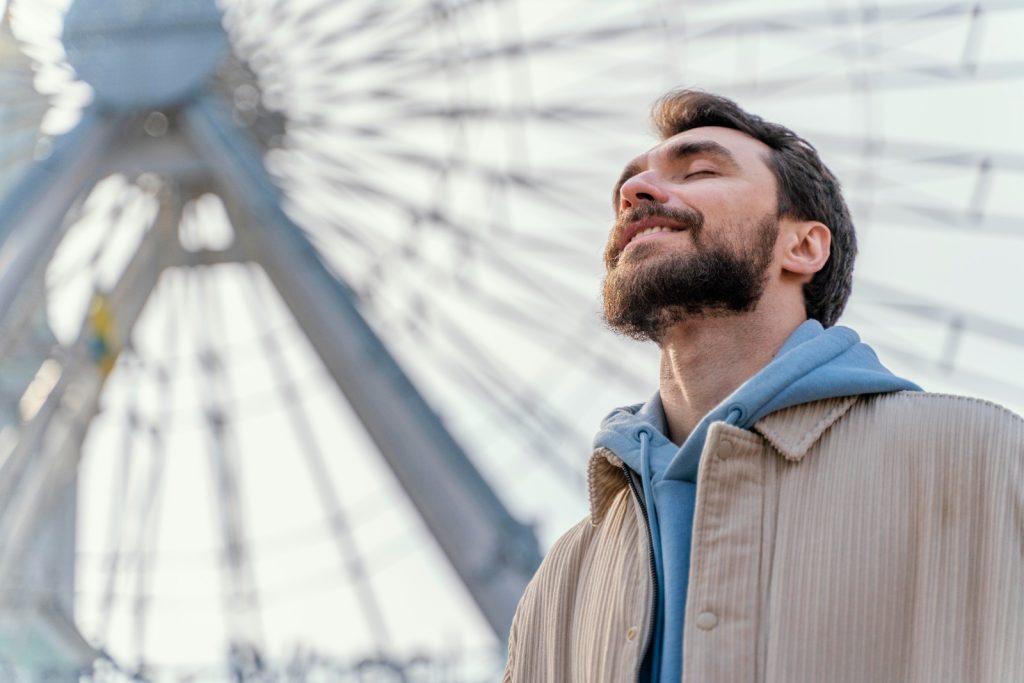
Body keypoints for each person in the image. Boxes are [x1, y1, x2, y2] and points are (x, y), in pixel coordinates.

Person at [502, 89, 1024, 683]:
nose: (634, 194)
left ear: (803, 246)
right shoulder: (565, 582)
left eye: (699, 171)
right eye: (628, 186)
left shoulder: (981, 458)